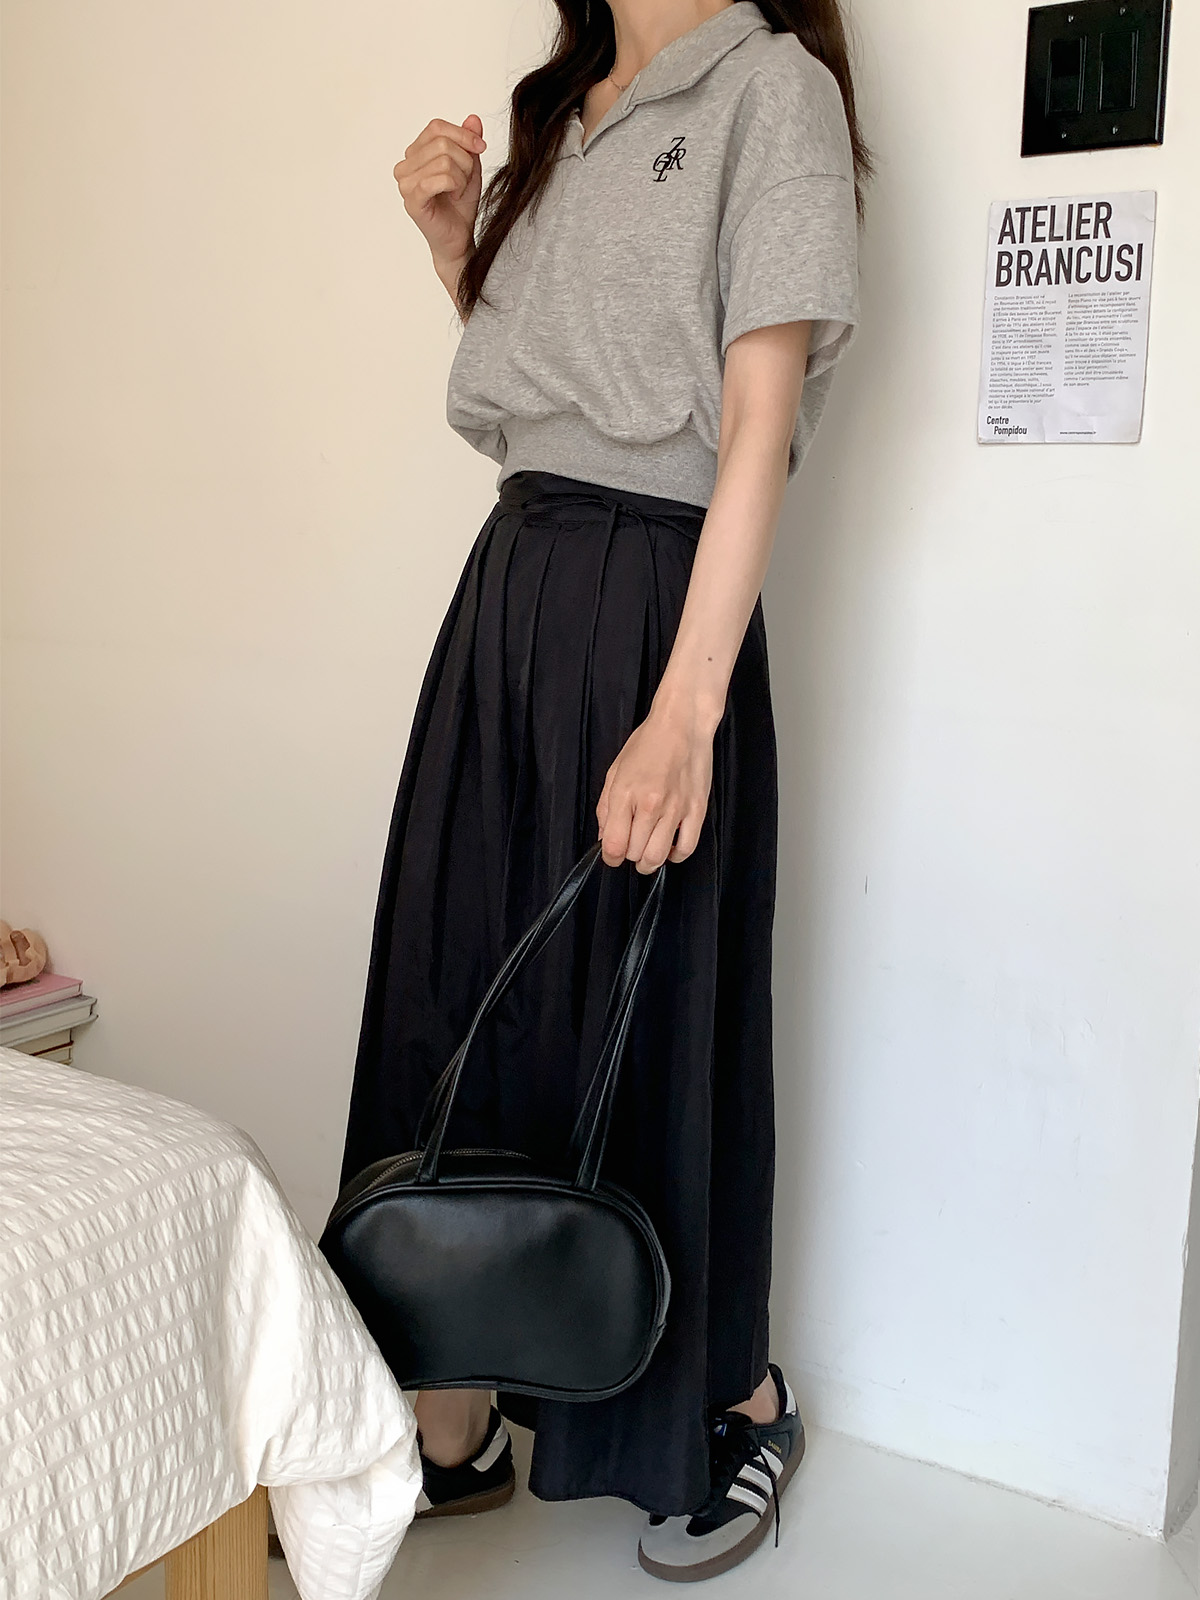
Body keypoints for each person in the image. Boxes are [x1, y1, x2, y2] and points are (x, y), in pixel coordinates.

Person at [336, 0, 869, 1581]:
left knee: (645, 1021)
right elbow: (551, 386)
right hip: (511, 588)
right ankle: (453, 1415)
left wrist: (686, 709)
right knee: (461, 994)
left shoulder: (769, 88)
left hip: (656, 607)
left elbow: (755, 419)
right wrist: (458, 248)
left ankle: (725, 1404)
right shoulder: (563, 108)